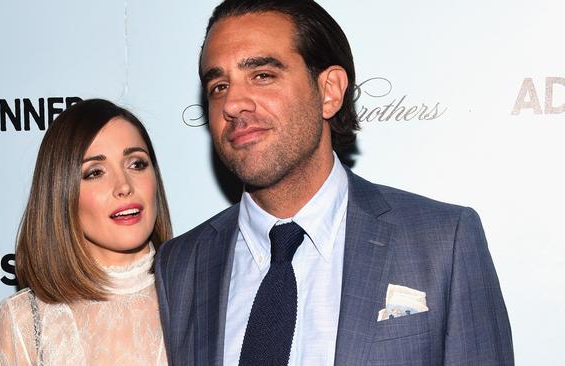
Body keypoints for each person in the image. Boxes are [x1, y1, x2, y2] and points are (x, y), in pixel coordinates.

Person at [155, 1, 513, 365]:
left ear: (329, 91)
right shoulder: (181, 265)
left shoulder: (441, 242)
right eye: (218, 86)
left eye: (262, 75)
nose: (232, 103)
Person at [0, 99, 172, 366]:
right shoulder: (24, 320)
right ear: (61, 193)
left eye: (136, 164)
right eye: (94, 172)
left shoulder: (203, 294)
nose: (123, 186)